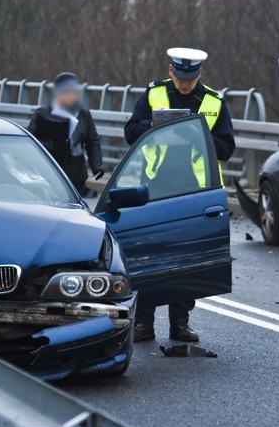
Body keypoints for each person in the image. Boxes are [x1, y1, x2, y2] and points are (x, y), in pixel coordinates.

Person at [124, 47, 235, 343]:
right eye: (181, 78)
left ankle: (180, 324)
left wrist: (197, 133)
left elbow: (227, 149)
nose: (185, 84)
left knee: (187, 257)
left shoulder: (213, 101)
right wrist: (150, 124)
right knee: (152, 255)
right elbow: (129, 132)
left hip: (195, 192)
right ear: (171, 70)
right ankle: (144, 323)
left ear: (200, 74)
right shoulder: (153, 94)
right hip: (155, 188)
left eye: (191, 78)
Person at [28, 72, 104, 195]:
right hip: (51, 175)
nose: (71, 96)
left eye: (74, 92)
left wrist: (97, 166)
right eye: (66, 92)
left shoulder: (83, 113)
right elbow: (31, 142)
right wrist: (51, 145)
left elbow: (92, 141)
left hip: (77, 176)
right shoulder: (42, 114)